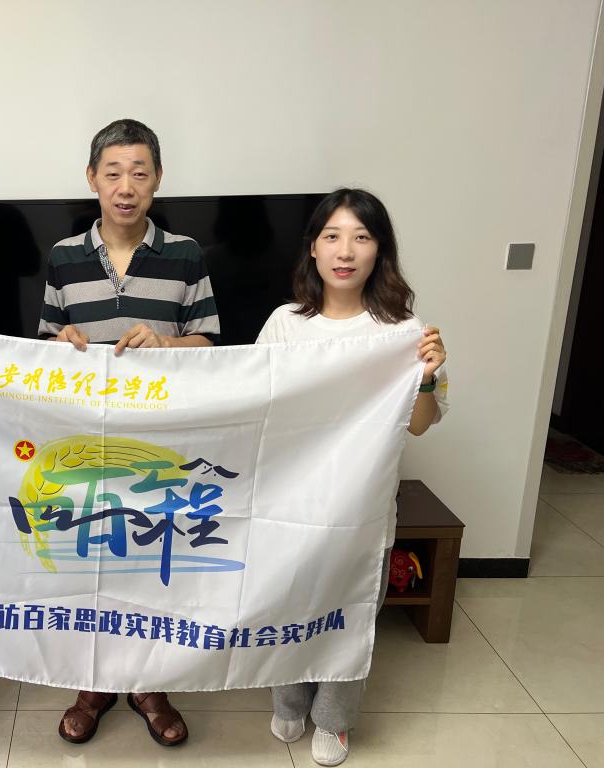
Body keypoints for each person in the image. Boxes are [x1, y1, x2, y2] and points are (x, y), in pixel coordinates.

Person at [38, 118, 220, 747]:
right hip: (85, 441)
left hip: (160, 442)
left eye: (139, 172)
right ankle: (93, 684)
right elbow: (42, 347)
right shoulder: (63, 257)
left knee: (151, 562)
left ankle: (149, 684)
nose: (125, 186)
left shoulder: (186, 253)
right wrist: (60, 341)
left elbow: (211, 343)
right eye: (112, 172)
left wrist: (168, 343)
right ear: (92, 178)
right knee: (88, 561)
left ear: (158, 179)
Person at [256, 188, 447, 766]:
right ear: (313, 248)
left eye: (361, 237)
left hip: (362, 508)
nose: (346, 251)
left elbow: (420, 424)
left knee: (350, 612)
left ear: (378, 250)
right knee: (288, 602)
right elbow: (252, 405)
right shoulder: (286, 323)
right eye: (333, 236)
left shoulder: (401, 329)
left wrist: (428, 377)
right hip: (291, 503)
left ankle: (335, 721)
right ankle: (289, 700)